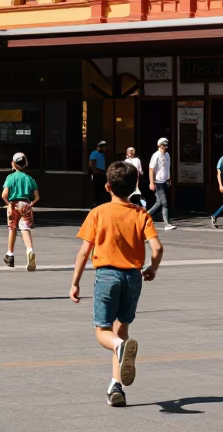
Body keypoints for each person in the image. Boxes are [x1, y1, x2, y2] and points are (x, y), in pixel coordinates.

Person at [70, 159, 164, 407]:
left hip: (107, 275)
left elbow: (83, 252)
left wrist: (75, 283)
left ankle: (121, 349)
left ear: (107, 186)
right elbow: (157, 247)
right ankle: (116, 387)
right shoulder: (141, 214)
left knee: (104, 332)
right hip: (133, 277)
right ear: (135, 186)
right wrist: (152, 268)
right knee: (121, 329)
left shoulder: (98, 213)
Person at [1, 151, 39, 271]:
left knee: (12, 229)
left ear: (13, 164)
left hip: (13, 204)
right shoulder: (29, 179)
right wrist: (31, 204)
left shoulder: (10, 177)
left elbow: (4, 195)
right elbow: (37, 196)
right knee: (25, 229)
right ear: (24, 164)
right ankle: (30, 250)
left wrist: (9, 205)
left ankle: (10, 255)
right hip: (26, 204)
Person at [149, 137, 175, 230]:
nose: (165, 147)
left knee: (159, 202)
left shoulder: (167, 155)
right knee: (164, 203)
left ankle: (145, 215)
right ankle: (167, 224)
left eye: (166, 145)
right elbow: (151, 169)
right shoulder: (156, 155)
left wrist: (169, 179)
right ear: (159, 145)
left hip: (164, 181)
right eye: (164, 145)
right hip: (158, 182)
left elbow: (168, 168)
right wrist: (152, 183)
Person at [89, 140, 109, 206]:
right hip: (97, 173)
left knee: (103, 189)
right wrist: (95, 172)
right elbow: (91, 164)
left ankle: (101, 202)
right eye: (103, 147)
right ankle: (96, 202)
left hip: (103, 173)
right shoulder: (94, 153)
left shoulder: (103, 154)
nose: (105, 148)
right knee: (97, 189)